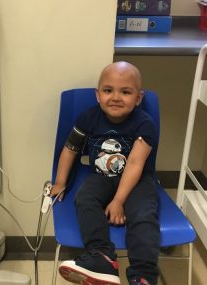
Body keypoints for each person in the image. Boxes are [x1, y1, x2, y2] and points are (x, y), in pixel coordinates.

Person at [50, 61, 160, 285]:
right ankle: (102, 258)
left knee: (143, 216)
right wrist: (60, 182)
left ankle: (143, 276)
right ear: (97, 95)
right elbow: (70, 150)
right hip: (101, 177)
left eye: (126, 92)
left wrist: (119, 200)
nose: (116, 97)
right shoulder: (87, 118)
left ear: (138, 98)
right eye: (108, 90)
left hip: (137, 181)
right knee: (84, 198)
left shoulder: (145, 123)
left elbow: (135, 164)